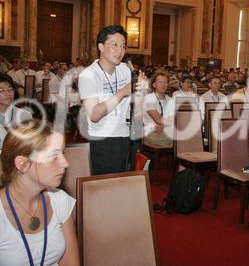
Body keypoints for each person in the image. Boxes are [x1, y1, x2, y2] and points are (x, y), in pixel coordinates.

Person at [0, 121, 79, 265]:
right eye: (53, 156)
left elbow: (69, 262)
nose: (65, 163)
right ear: (23, 164)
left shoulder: (60, 200)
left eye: (62, 153)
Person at [79, 25, 146, 175]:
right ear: (101, 47)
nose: (120, 50)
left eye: (123, 46)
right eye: (114, 45)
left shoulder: (125, 70)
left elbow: (137, 106)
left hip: (126, 138)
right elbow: (94, 115)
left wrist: (141, 90)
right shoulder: (88, 75)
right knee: (105, 189)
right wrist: (122, 92)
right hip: (103, 141)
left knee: (125, 187)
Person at [143, 70, 175, 148]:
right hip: (153, 132)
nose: (163, 85)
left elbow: (175, 118)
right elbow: (158, 120)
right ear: (154, 85)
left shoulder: (171, 100)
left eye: (165, 82)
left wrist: (164, 125)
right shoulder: (148, 98)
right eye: (160, 82)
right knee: (182, 142)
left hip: (167, 131)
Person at [0, 73, 32, 148]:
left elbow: (29, 144)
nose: (8, 94)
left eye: (10, 89)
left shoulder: (25, 115)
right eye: (2, 91)